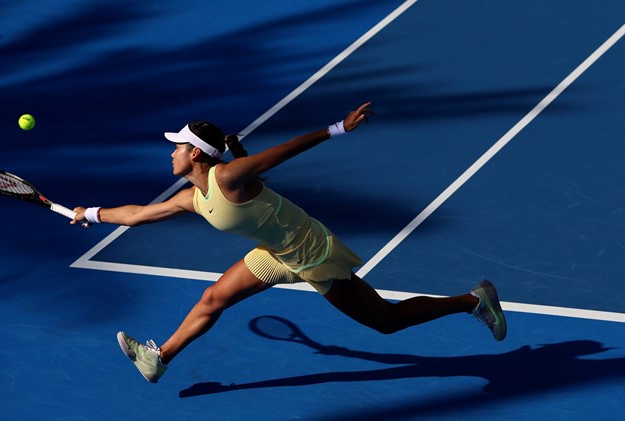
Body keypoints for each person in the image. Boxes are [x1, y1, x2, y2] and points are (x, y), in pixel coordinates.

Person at [72, 102, 507, 383]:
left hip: (312, 253)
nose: (171, 152)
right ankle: (159, 358)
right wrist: (87, 213)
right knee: (212, 299)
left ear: (198, 155)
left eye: (179, 147)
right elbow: (135, 214)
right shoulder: (192, 197)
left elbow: (286, 150)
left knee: (385, 321)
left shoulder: (227, 176)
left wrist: (338, 127)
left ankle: (473, 300)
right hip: (276, 254)